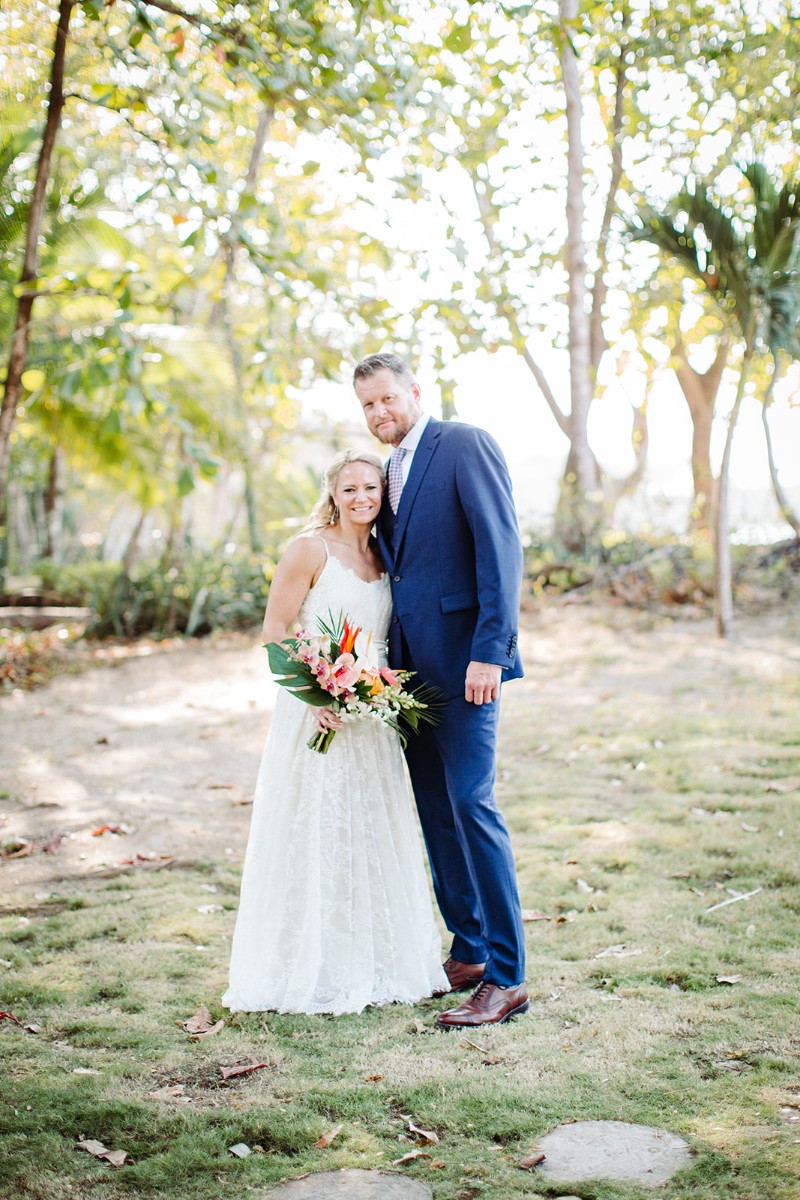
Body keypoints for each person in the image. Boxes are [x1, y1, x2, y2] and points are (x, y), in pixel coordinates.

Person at [223, 450, 448, 1015]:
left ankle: (375, 962)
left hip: (371, 712)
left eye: (370, 487)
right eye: (349, 488)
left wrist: (372, 690)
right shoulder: (309, 548)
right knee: (315, 832)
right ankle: (307, 965)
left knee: (370, 830)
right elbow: (276, 630)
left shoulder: (384, 554)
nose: (360, 497)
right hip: (317, 710)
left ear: (383, 492)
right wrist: (315, 694)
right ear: (333, 493)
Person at [353, 351, 528, 1028]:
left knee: (472, 806)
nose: (379, 413)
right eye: (367, 405)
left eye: (388, 399)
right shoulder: (386, 473)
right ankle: (471, 949)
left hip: (466, 668)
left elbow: (501, 548)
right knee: (436, 812)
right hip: (408, 678)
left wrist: (492, 650)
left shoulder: (463, 444)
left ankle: (508, 978)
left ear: (415, 392)